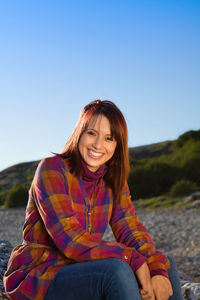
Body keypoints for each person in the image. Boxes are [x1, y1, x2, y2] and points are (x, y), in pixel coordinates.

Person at [4, 100, 183, 300]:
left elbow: (130, 229)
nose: (98, 145)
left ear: (117, 145)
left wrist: (155, 268)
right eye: (92, 133)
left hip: (82, 266)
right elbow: (69, 239)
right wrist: (132, 258)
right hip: (41, 273)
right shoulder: (52, 169)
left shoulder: (114, 181)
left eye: (109, 138)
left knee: (166, 264)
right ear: (79, 132)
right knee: (116, 271)